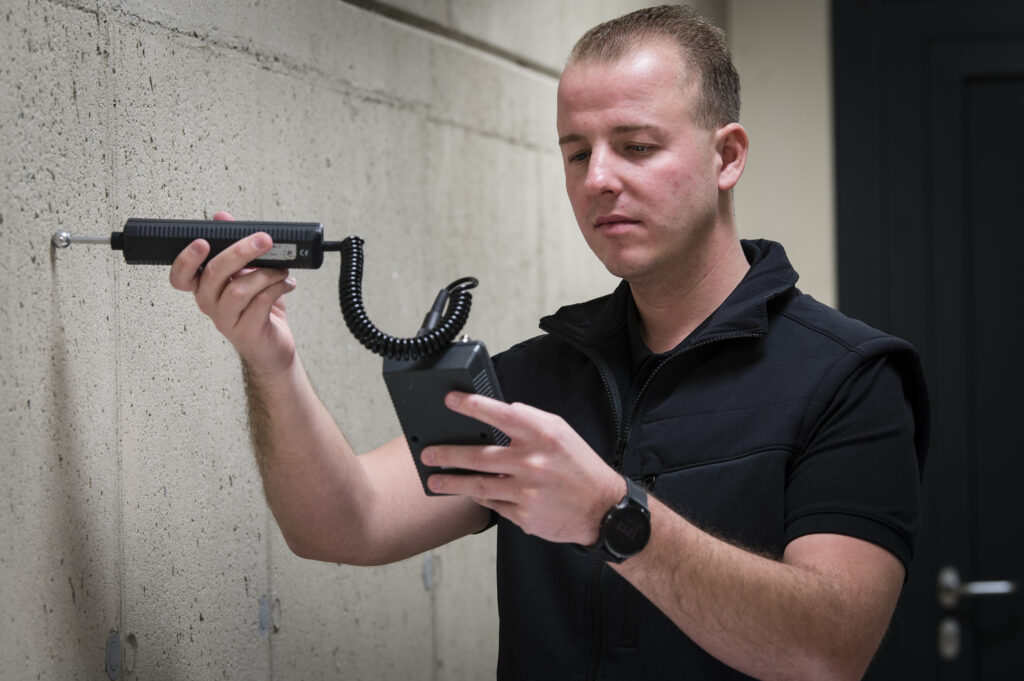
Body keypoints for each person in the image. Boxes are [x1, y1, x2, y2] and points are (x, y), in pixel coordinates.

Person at [170, 6, 927, 680]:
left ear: (726, 156)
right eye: (576, 153)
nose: (598, 179)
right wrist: (270, 361)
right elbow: (344, 522)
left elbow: (829, 651)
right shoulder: (533, 379)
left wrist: (613, 516)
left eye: (636, 146)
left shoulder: (849, 377)